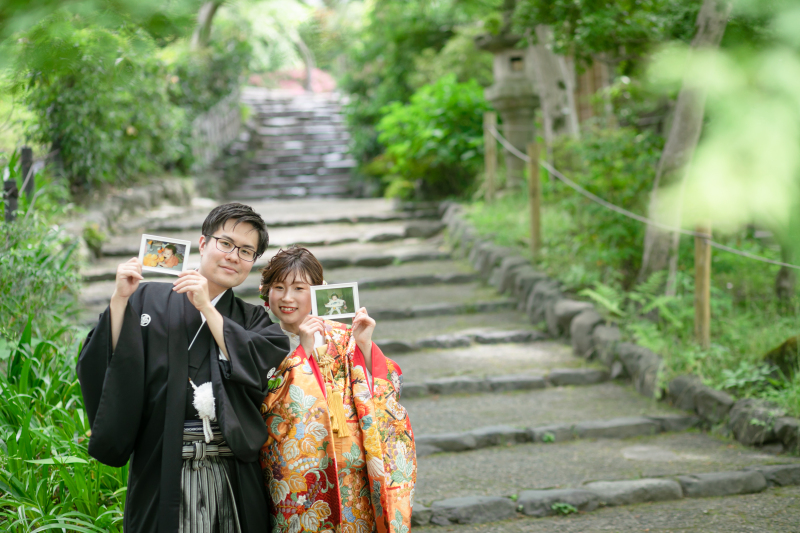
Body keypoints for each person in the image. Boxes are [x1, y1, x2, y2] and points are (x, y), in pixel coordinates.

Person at [77, 203, 290, 533]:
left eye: (246, 251)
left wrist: (206, 307)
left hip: (232, 471)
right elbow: (110, 362)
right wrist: (119, 300)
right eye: (226, 243)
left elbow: (262, 364)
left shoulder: (253, 319)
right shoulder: (147, 297)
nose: (234, 256)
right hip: (161, 465)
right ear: (203, 244)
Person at [258, 247, 416, 533]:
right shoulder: (260, 340)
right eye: (278, 287)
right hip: (295, 471)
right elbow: (266, 403)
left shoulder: (343, 336)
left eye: (299, 288)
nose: (287, 297)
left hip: (353, 468)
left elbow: (387, 388)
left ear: (320, 290)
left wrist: (364, 345)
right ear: (266, 293)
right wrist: (303, 354)